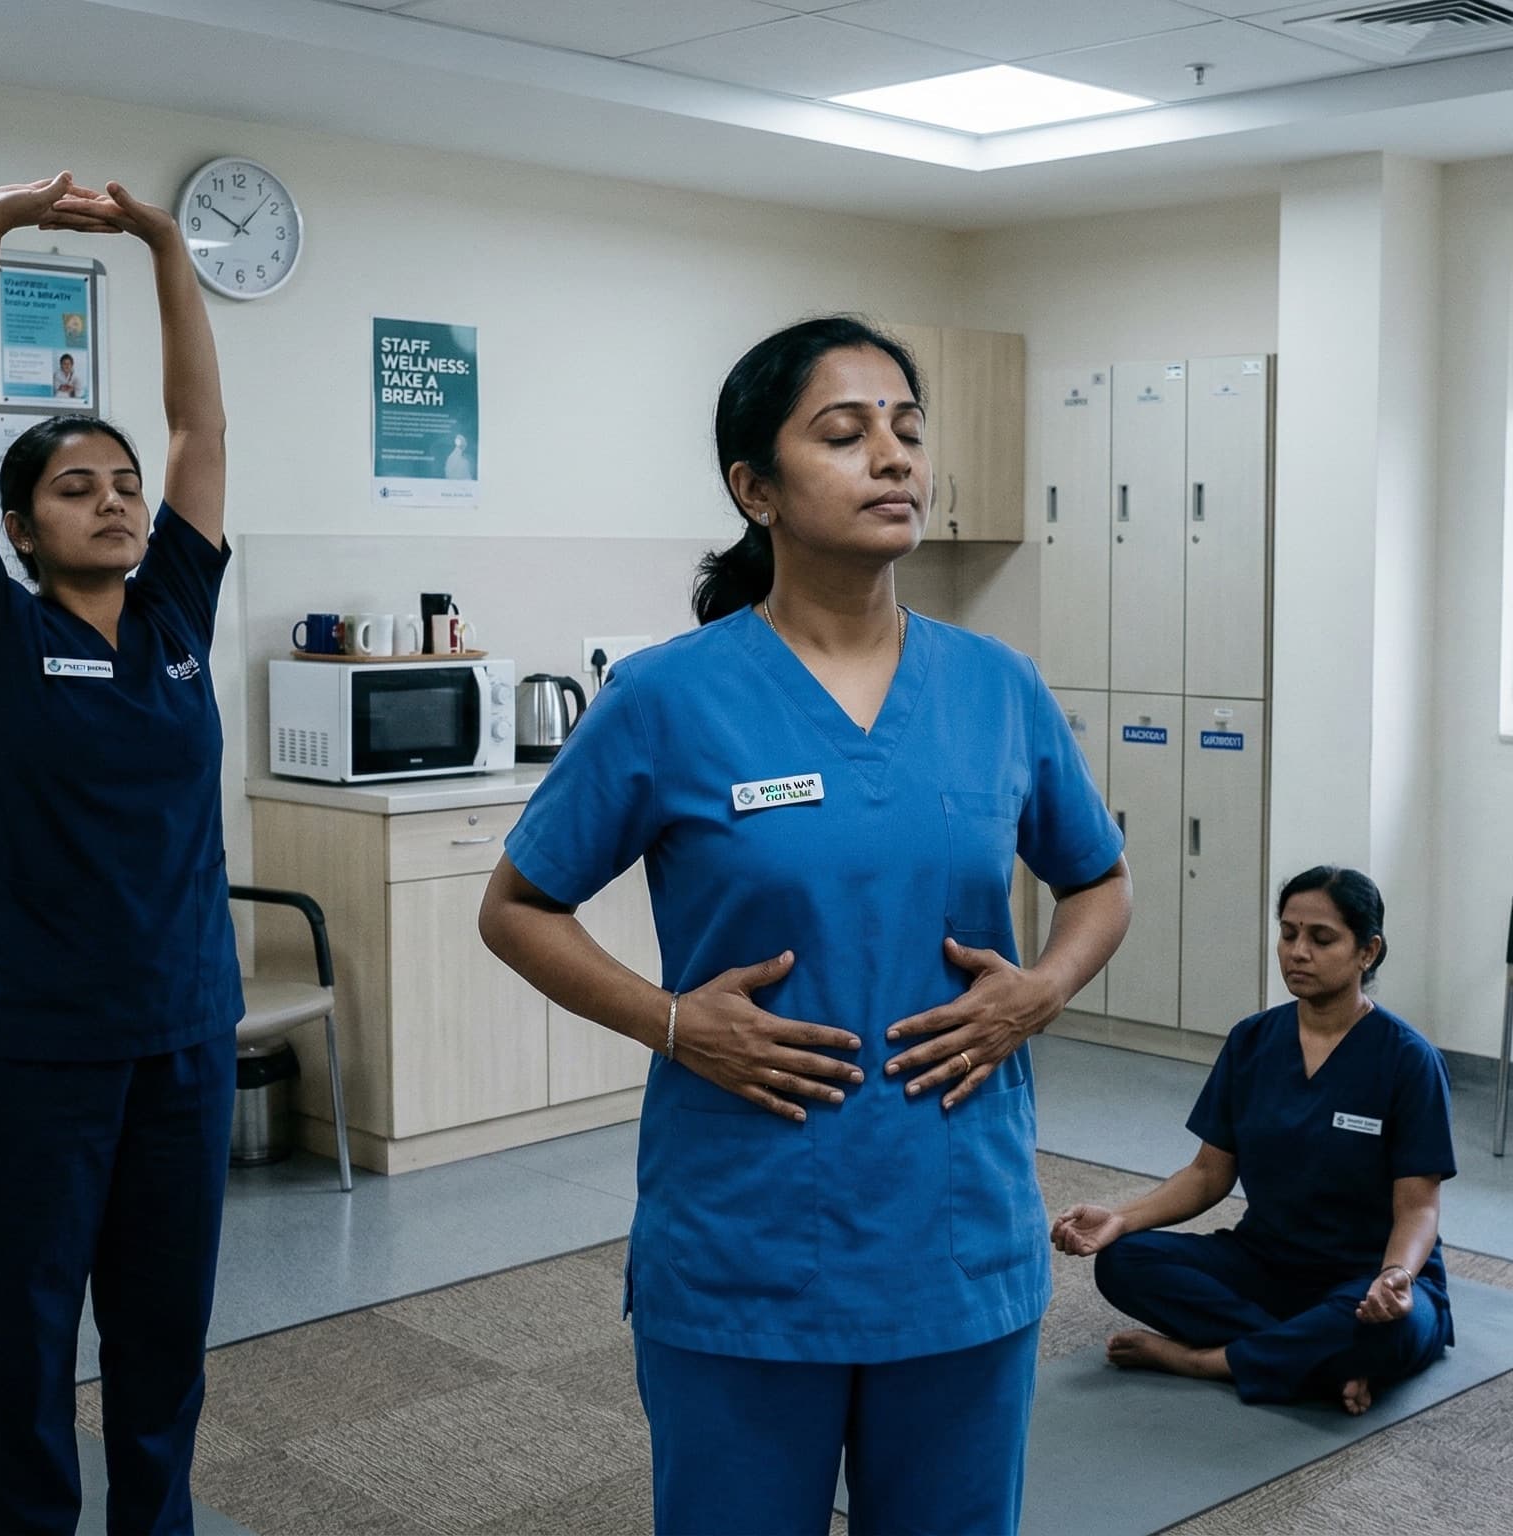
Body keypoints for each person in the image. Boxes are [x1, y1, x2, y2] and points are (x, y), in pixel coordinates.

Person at [476, 315, 1132, 1536]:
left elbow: (1097, 881)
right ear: (754, 489)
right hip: (746, 1235)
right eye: (844, 433)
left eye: (908, 429)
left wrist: (1040, 989)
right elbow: (517, 907)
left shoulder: (995, 686)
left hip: (955, 1228)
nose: (892, 457)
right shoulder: (669, 696)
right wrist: (672, 1022)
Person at [0, 171, 238, 1536]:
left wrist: (166, 242)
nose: (113, 504)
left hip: (181, 1039)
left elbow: (198, 419)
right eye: (75, 489)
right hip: (32, 1053)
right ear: (22, 523)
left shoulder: (172, 614)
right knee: (27, 1351)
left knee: (163, 1347)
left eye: (124, 487)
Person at [1051, 866, 1455, 1416]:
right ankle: (1312, 1359)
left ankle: (1204, 1361)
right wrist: (1122, 1217)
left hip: (1368, 1279)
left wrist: (1396, 1275)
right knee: (1123, 1262)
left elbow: (1419, 1206)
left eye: (1321, 938)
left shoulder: (1409, 1060)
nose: (1297, 952)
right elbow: (1208, 1174)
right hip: (1267, 1263)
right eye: (1288, 934)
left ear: (1369, 951)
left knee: (1389, 1331)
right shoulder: (1253, 1040)